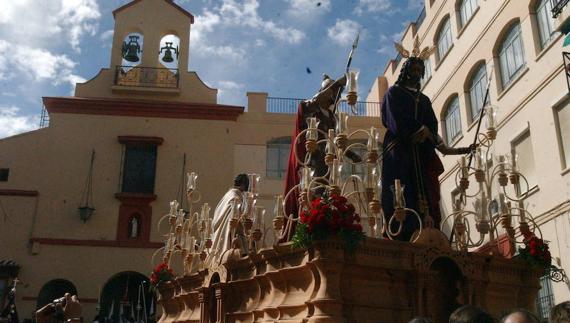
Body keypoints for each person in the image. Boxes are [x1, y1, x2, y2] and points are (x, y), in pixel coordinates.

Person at [381, 52, 475, 241]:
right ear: (406, 71)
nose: (416, 73)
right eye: (413, 69)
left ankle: (428, 228)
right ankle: (401, 229)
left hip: (421, 155)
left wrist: (433, 137)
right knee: (401, 192)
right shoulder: (394, 93)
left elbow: (432, 125)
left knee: (427, 194)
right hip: (400, 155)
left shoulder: (424, 100)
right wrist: (417, 129)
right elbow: (394, 120)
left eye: (420, 70)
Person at [281, 74, 360, 241]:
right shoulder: (310, 108)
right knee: (313, 192)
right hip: (312, 159)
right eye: (329, 90)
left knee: (328, 193)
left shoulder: (332, 117)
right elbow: (308, 105)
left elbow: (339, 141)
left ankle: (326, 222)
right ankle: (310, 225)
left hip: (328, 161)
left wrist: (352, 155)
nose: (332, 94)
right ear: (323, 91)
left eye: (333, 91)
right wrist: (337, 82)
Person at [206, 174, 249, 266]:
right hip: (229, 241)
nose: (244, 193)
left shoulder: (226, 197)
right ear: (243, 185)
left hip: (218, 242)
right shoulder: (236, 198)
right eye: (244, 190)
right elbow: (238, 221)